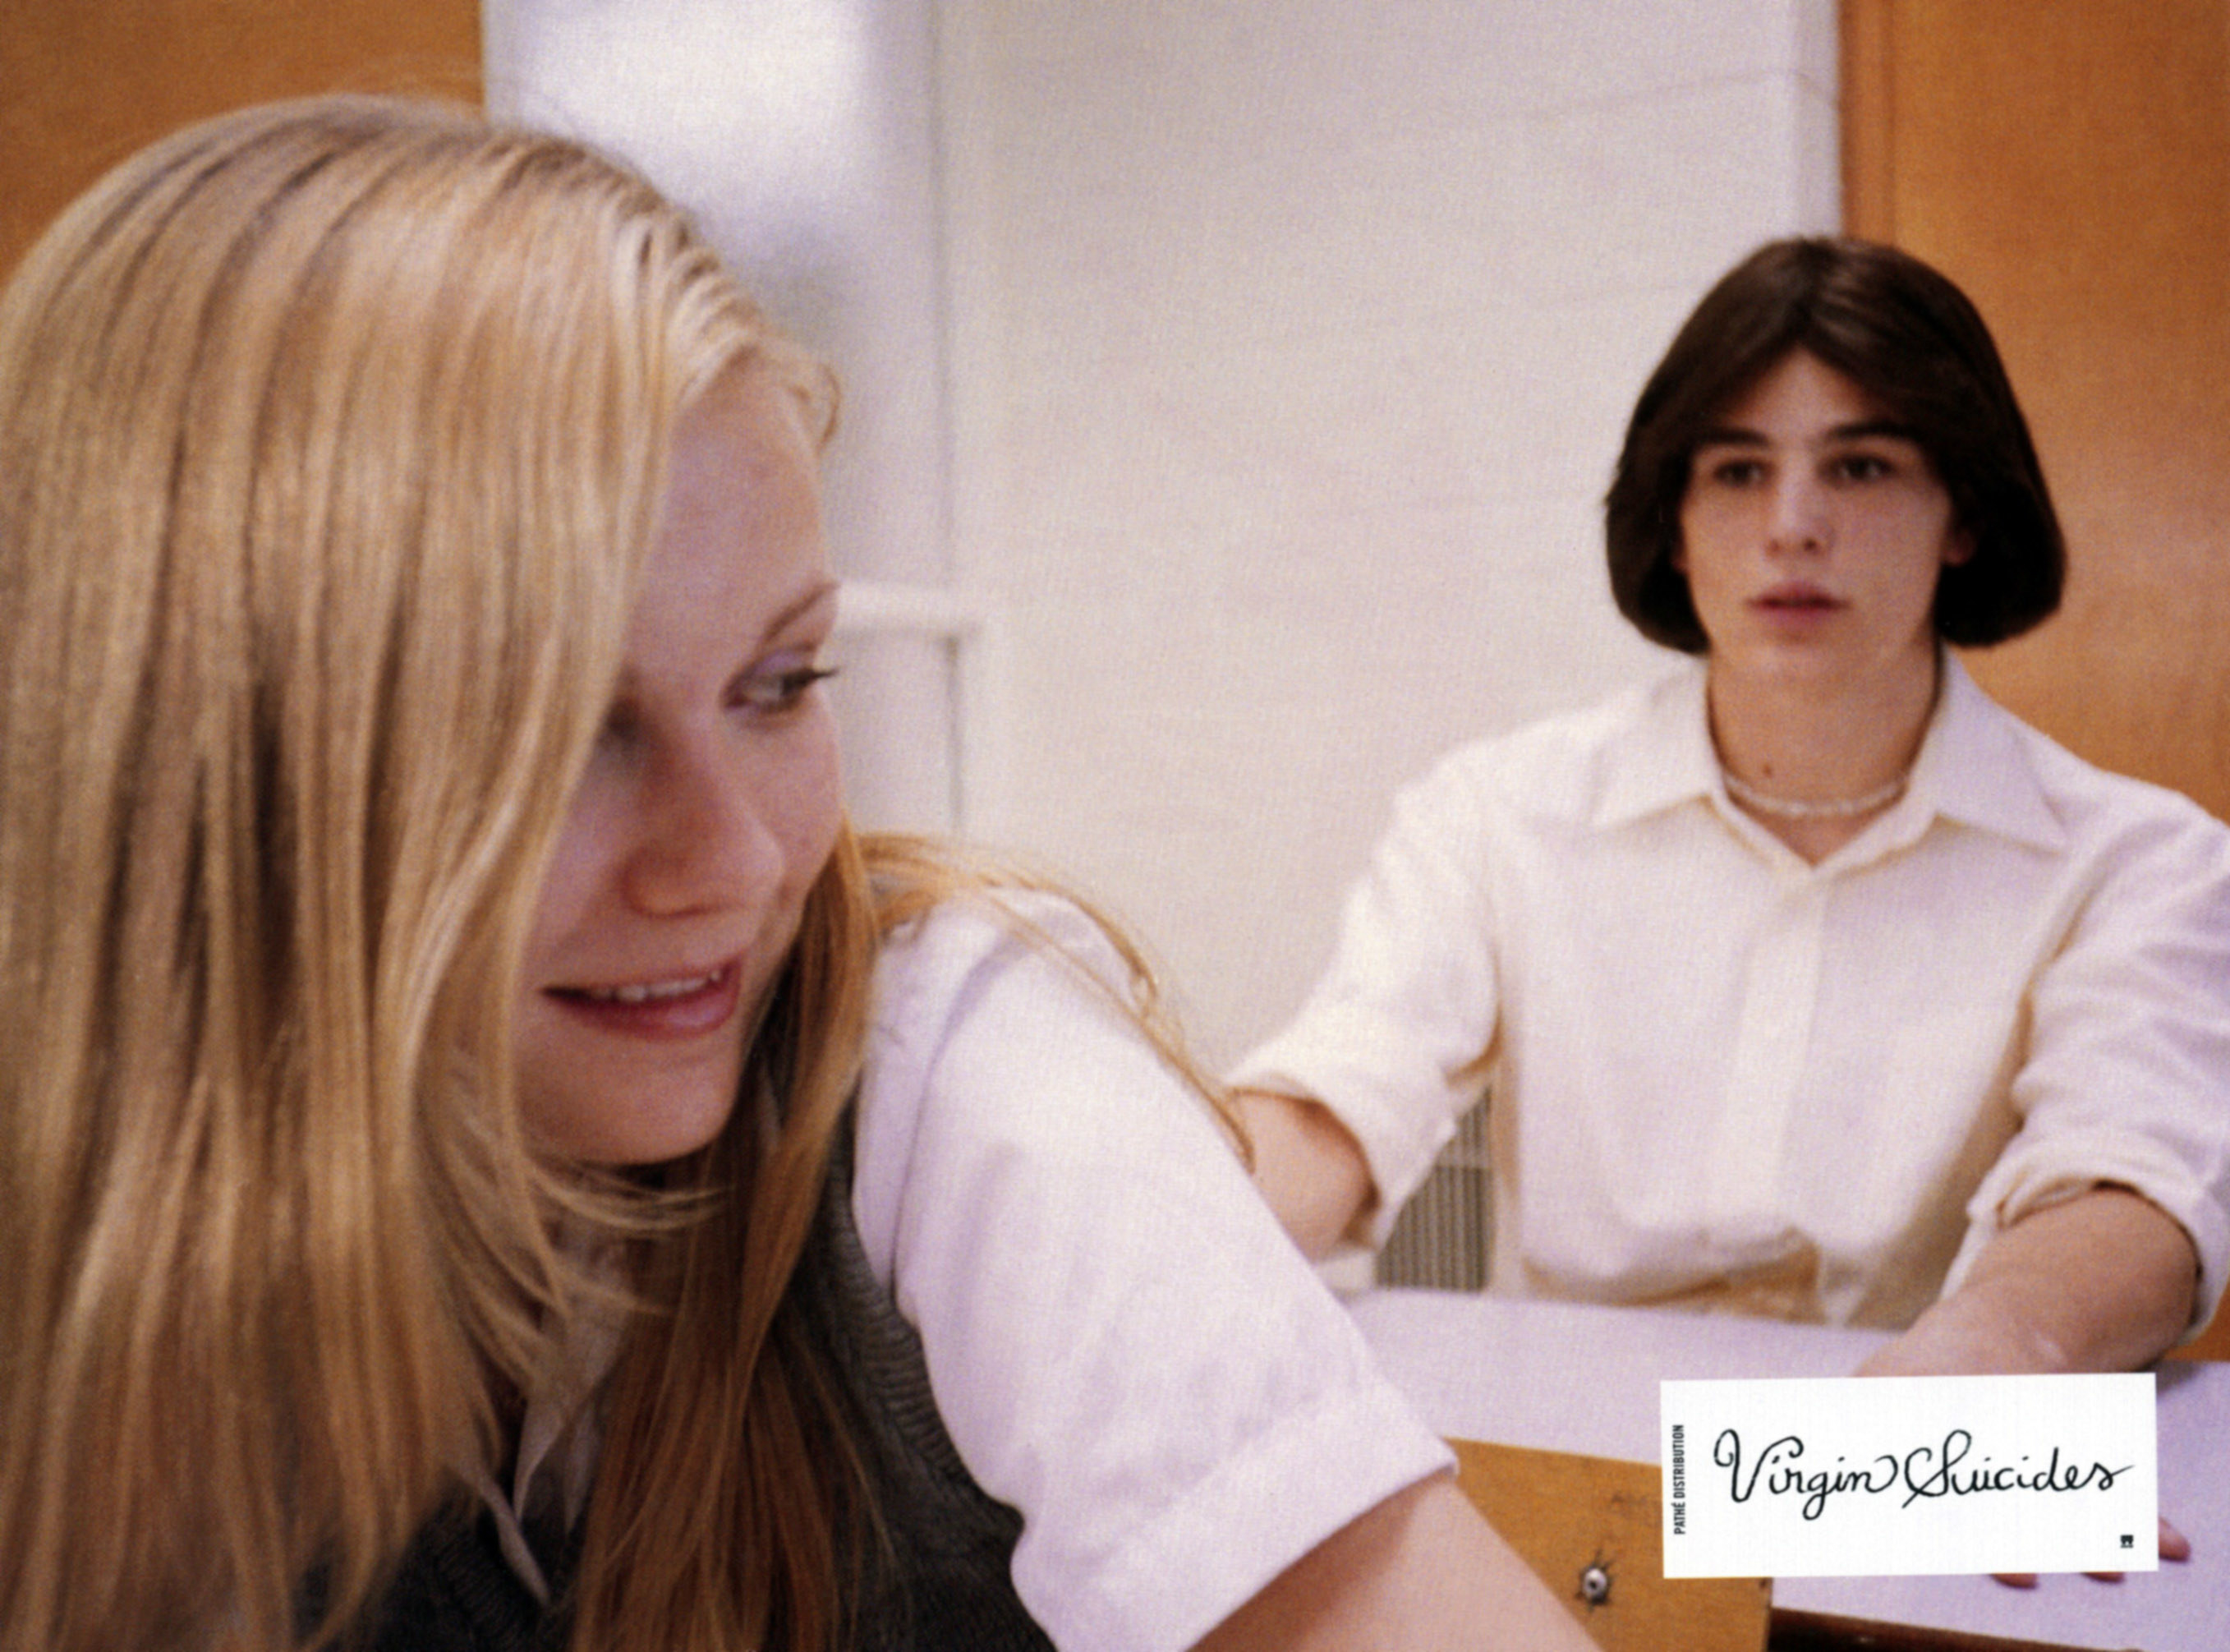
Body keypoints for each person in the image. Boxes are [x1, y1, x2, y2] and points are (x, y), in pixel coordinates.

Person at [0, 98, 1597, 1652]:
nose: (737, 861)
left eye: (779, 683)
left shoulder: (936, 1045)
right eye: (558, 730)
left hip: (1775, 1482)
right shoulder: (1513, 806)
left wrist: (1832, 1466)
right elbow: (1346, 1094)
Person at [1235, 237, 2230, 1386]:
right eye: (1738, 472)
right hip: (1580, 1451)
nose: (1793, 526)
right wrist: (1158, 1236)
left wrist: (1993, 1352)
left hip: (1938, 1423)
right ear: (1673, 520)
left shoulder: (2144, 860)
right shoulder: (1497, 812)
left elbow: (2131, 1183)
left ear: (1962, 514)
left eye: (1861, 468)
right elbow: (1341, 1099)